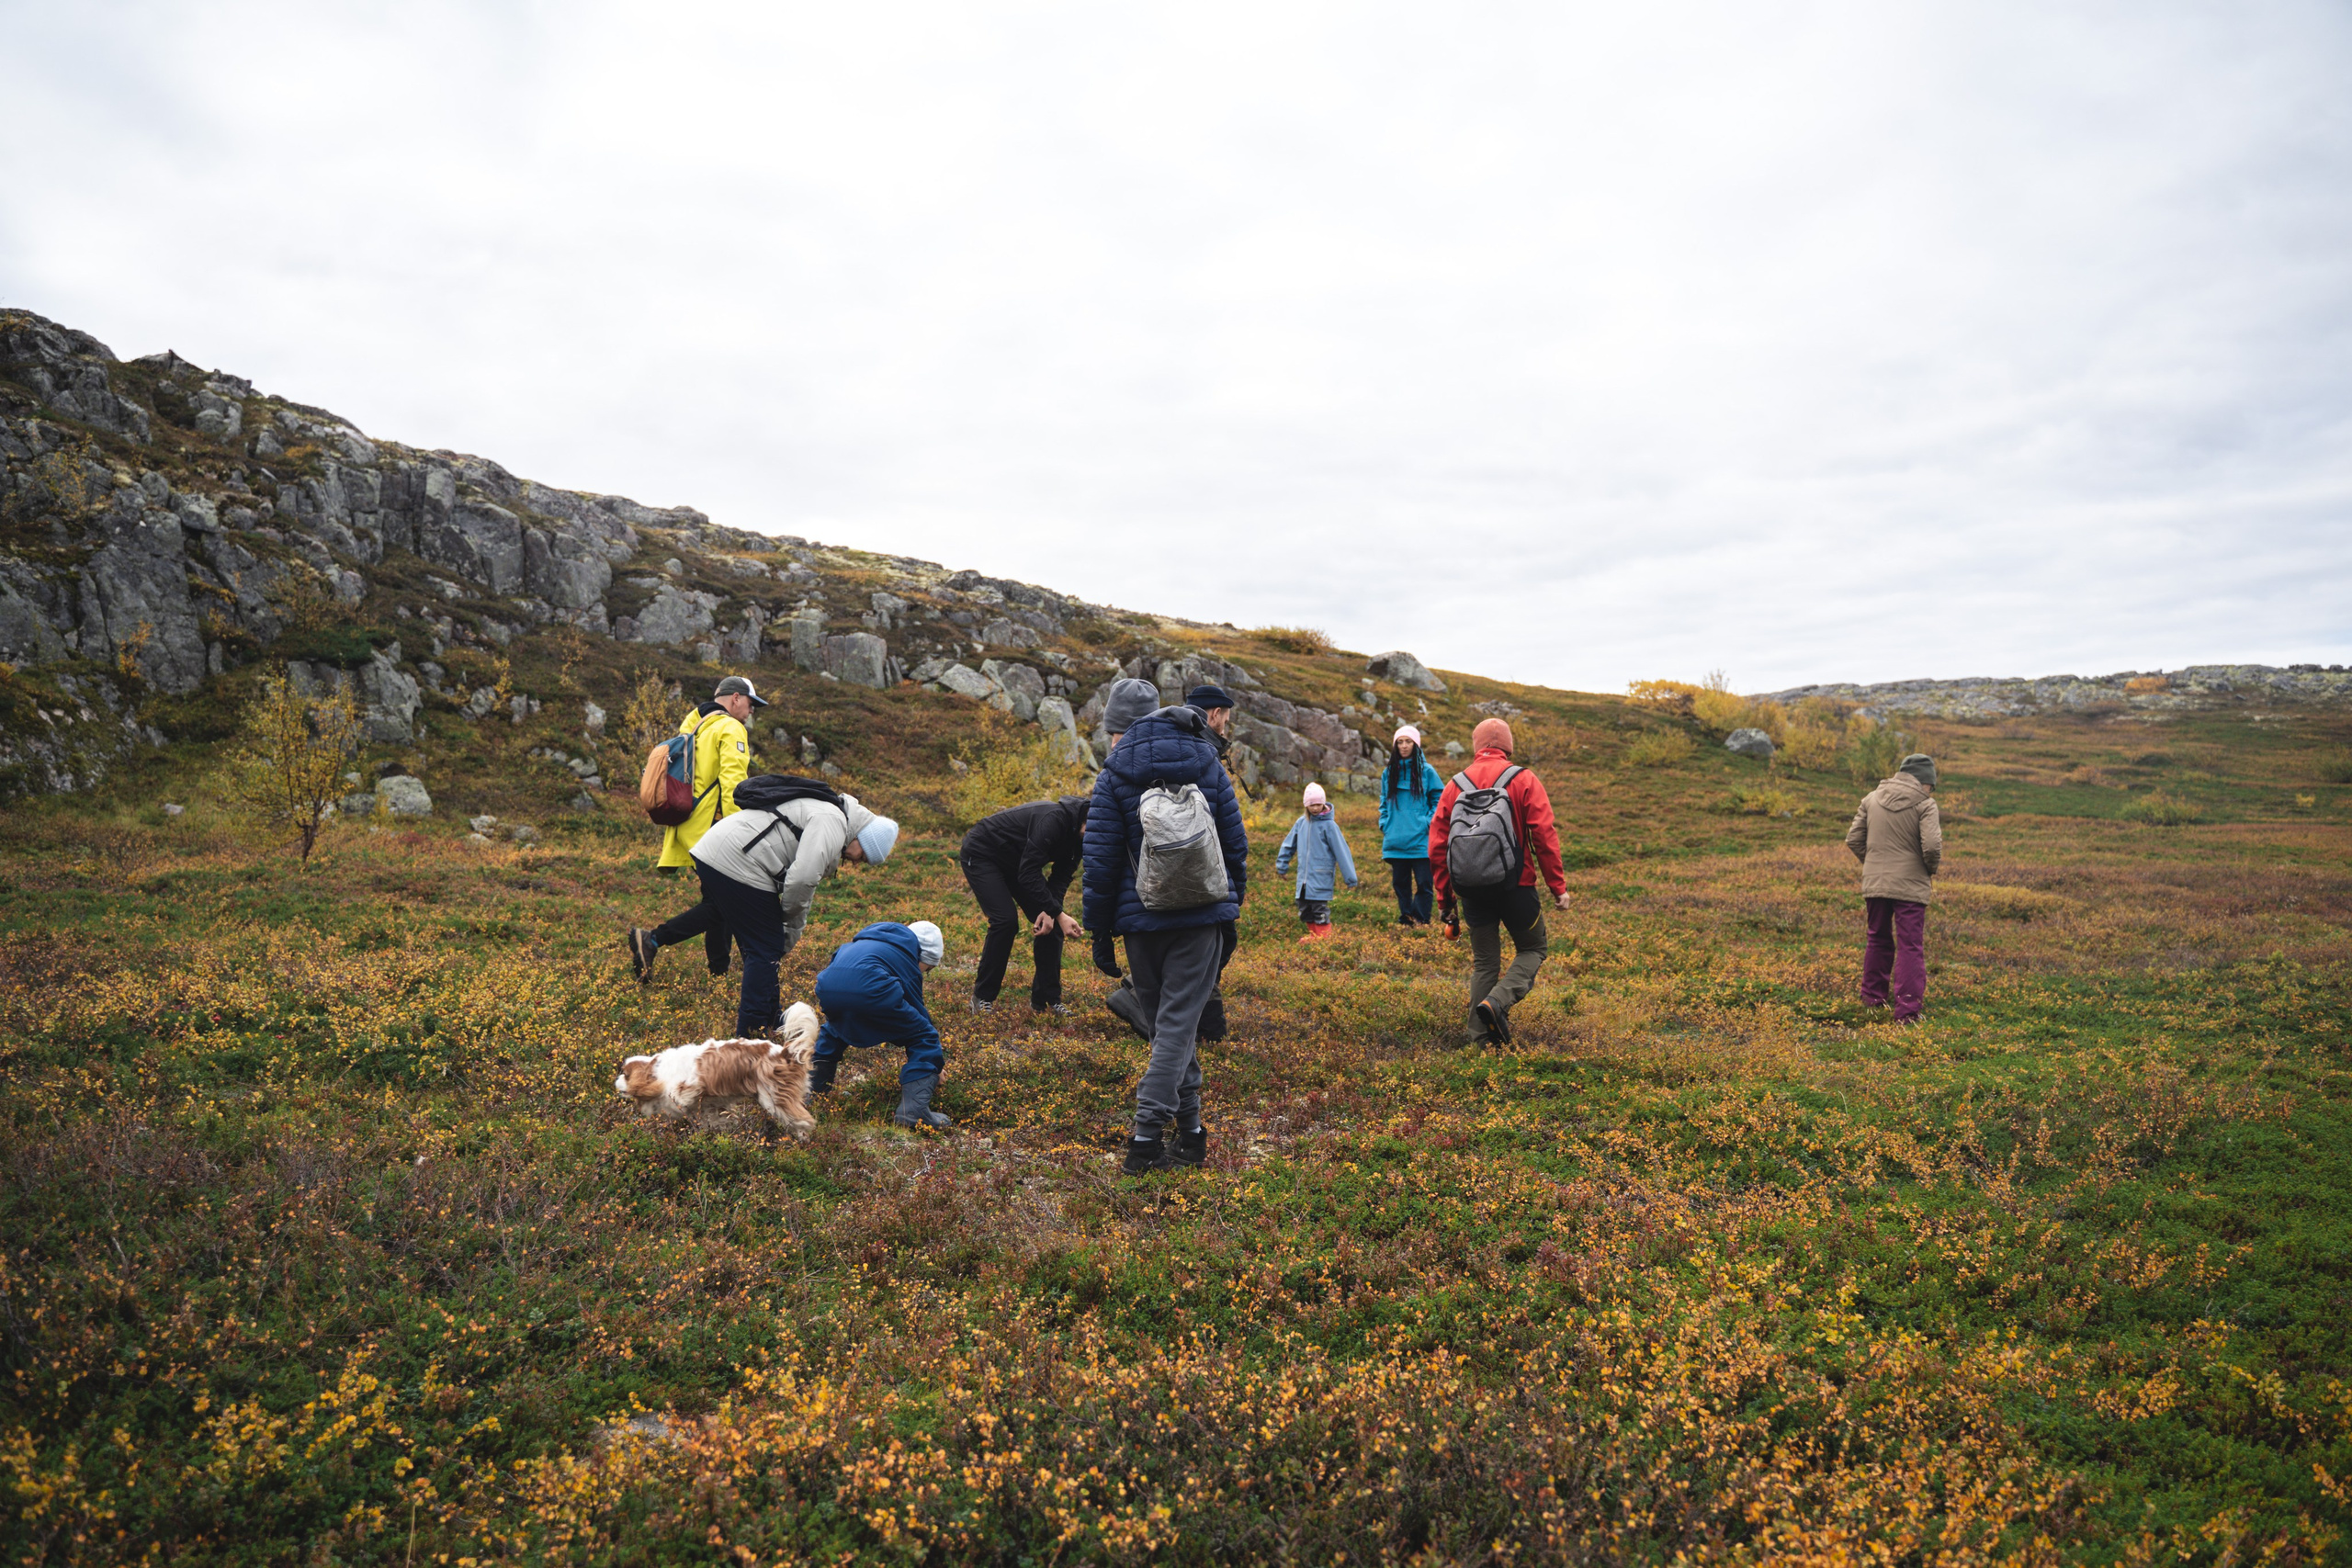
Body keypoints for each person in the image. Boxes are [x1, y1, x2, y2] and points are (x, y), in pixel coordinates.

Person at [1084, 700, 1248, 1175]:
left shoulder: (1114, 775)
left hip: (1141, 924)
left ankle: (1192, 1135)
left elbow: (1099, 864)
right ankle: (1144, 1142)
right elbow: (1235, 848)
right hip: (1199, 921)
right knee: (1175, 1033)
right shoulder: (1209, 768)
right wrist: (1227, 911)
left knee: (1166, 1032)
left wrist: (1101, 933)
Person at [627, 783, 899, 1041]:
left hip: (723, 851)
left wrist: (784, 937)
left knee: (730, 921)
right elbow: (802, 881)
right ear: (863, 837)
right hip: (738, 858)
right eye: (863, 855)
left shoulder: (834, 820)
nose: (857, 861)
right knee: (763, 947)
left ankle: (770, 1017)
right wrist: (779, 936)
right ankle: (752, 1034)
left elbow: (805, 887)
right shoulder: (833, 823)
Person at [1430, 717, 1569, 1045]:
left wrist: (1446, 902)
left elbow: (1437, 848)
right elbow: (1544, 836)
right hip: (1516, 886)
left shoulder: (1455, 784)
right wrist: (1557, 887)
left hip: (1471, 891)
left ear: (1477, 745)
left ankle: (1479, 1042)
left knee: (1485, 964)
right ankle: (1497, 1002)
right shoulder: (1523, 779)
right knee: (1533, 947)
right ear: (1508, 745)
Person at [637, 675, 765, 978]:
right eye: (750, 704)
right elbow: (734, 783)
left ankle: (719, 971)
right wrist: (743, 830)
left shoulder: (695, 725)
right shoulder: (731, 728)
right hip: (714, 828)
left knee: (720, 897)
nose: (751, 712)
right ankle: (652, 939)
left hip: (689, 826)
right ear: (735, 698)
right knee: (725, 903)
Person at [808, 919, 952, 1129]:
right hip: (872, 989)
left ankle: (813, 1093)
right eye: (928, 969)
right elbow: (917, 1012)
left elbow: (838, 971)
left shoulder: (860, 944)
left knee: (835, 1029)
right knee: (924, 1036)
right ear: (922, 956)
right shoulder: (907, 958)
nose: (924, 973)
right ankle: (913, 1113)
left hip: (827, 987)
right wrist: (934, 1063)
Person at [958, 795, 1088, 1015]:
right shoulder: (1055, 820)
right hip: (983, 853)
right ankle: (982, 998)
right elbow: (1029, 872)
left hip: (1018, 863)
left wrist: (1052, 912)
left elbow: (1061, 878)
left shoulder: (1082, 838)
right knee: (1005, 922)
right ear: (1087, 819)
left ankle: (1046, 1002)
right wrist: (1057, 912)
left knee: (1053, 924)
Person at [1845, 752, 1943, 1023]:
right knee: (1910, 945)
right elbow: (1932, 847)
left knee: (1877, 937)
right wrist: (1927, 869)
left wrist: (1874, 863)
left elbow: (1853, 839)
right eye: (1931, 785)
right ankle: (1907, 1012)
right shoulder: (1926, 805)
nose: (1931, 790)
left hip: (1875, 882)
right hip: (1910, 885)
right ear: (1925, 782)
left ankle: (1872, 999)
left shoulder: (1871, 799)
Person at [1376, 725, 1445, 927]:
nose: (1404, 746)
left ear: (1416, 745)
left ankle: (1421, 919)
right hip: (1396, 837)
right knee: (1400, 883)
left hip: (1421, 839)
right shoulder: (1389, 773)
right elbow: (1383, 801)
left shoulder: (1427, 771)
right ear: (1395, 745)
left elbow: (1439, 799)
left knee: (1424, 883)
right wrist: (1385, 823)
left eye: (1408, 742)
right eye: (1400, 742)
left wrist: (1427, 822)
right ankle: (1406, 918)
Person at [1276, 782, 1358, 941]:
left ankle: (1323, 940)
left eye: (1318, 804)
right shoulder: (1301, 823)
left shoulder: (1330, 826)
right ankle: (1315, 937)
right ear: (1306, 805)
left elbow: (1342, 852)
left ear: (1324, 803)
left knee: (1319, 910)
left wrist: (1350, 879)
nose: (1315, 808)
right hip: (1304, 881)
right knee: (1305, 909)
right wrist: (1282, 866)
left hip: (1321, 878)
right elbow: (1288, 845)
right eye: (1312, 805)